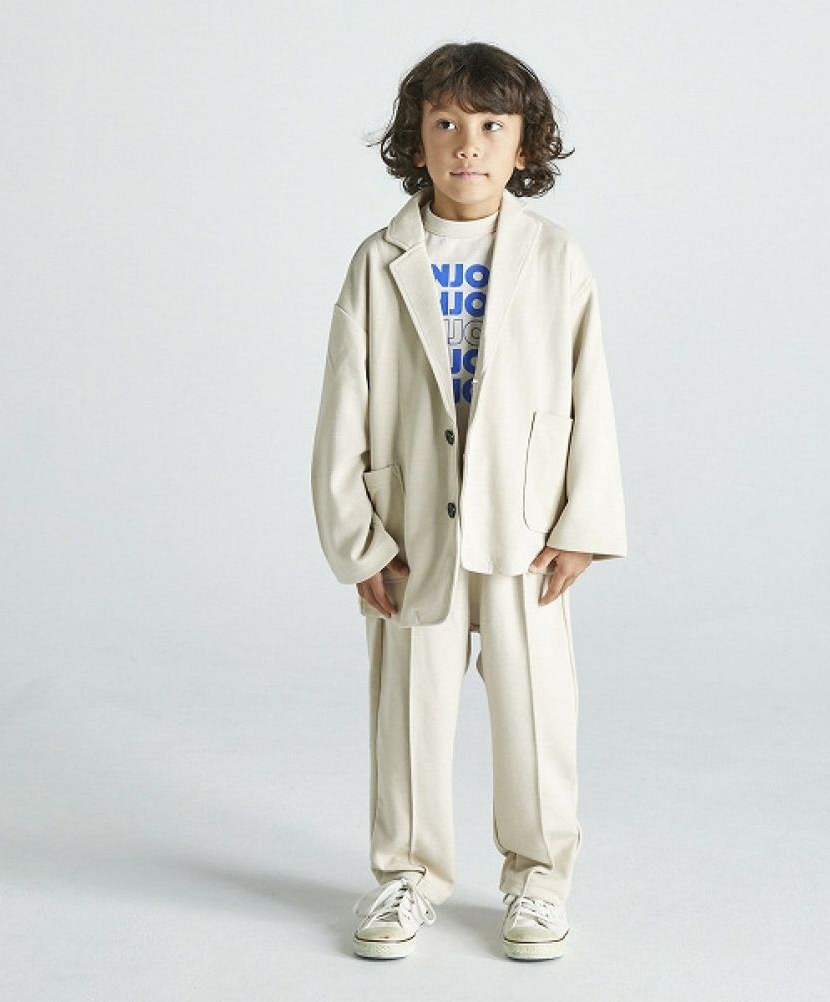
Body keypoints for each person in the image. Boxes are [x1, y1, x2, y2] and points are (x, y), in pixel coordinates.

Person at [310, 40, 627, 961]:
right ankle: (407, 877)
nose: (469, 144)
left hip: (526, 528)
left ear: (526, 145)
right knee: (409, 714)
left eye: (492, 124)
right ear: (417, 140)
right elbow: (343, 405)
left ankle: (538, 882)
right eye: (446, 122)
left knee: (537, 714)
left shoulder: (556, 258)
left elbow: (591, 394)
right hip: (411, 531)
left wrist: (583, 526)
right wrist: (360, 542)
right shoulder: (380, 261)